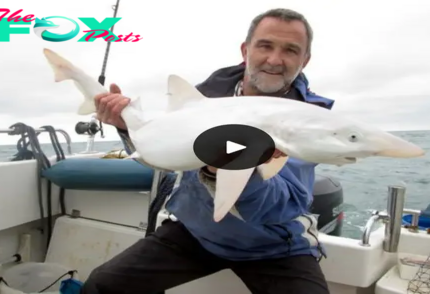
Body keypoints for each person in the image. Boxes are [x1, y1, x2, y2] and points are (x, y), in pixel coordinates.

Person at [81, 8, 335, 294]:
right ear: (245, 50)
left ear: (305, 60)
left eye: (291, 50)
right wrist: (125, 127)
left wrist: (231, 168)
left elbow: (280, 207)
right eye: (265, 45)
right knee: (101, 286)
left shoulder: (311, 122)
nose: (275, 60)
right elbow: (164, 156)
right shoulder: (201, 101)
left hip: (275, 246)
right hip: (196, 233)